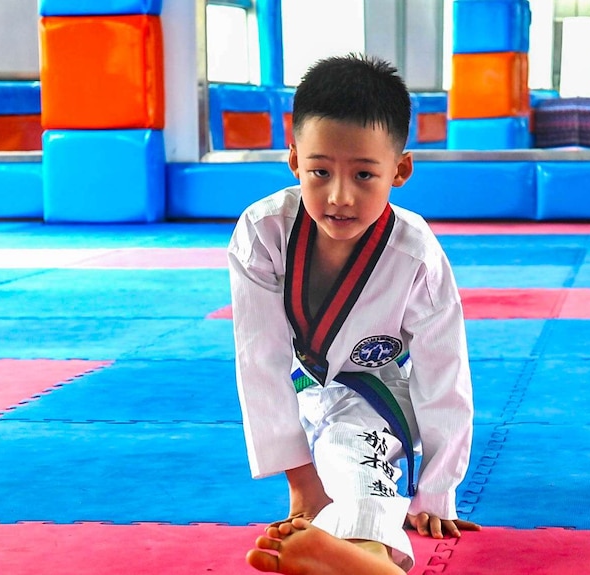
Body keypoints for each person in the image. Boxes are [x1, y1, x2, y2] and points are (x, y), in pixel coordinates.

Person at [227, 53, 480, 575]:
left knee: (355, 444)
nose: (339, 197)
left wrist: (437, 491)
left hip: (378, 388)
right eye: (320, 172)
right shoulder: (263, 233)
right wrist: (299, 480)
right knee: (328, 443)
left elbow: (444, 370)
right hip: (298, 389)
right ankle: (338, 542)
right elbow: (259, 359)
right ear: (293, 159)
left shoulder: (414, 252)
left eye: (365, 174)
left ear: (400, 170)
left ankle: (363, 552)